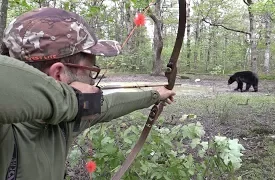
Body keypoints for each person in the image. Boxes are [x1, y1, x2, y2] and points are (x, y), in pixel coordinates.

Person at [0, 7, 176, 180]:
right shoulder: (6, 131)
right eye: (90, 71)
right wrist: (70, 99)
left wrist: (155, 95)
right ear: (58, 74)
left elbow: (109, 105)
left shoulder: (64, 122)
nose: (93, 81)